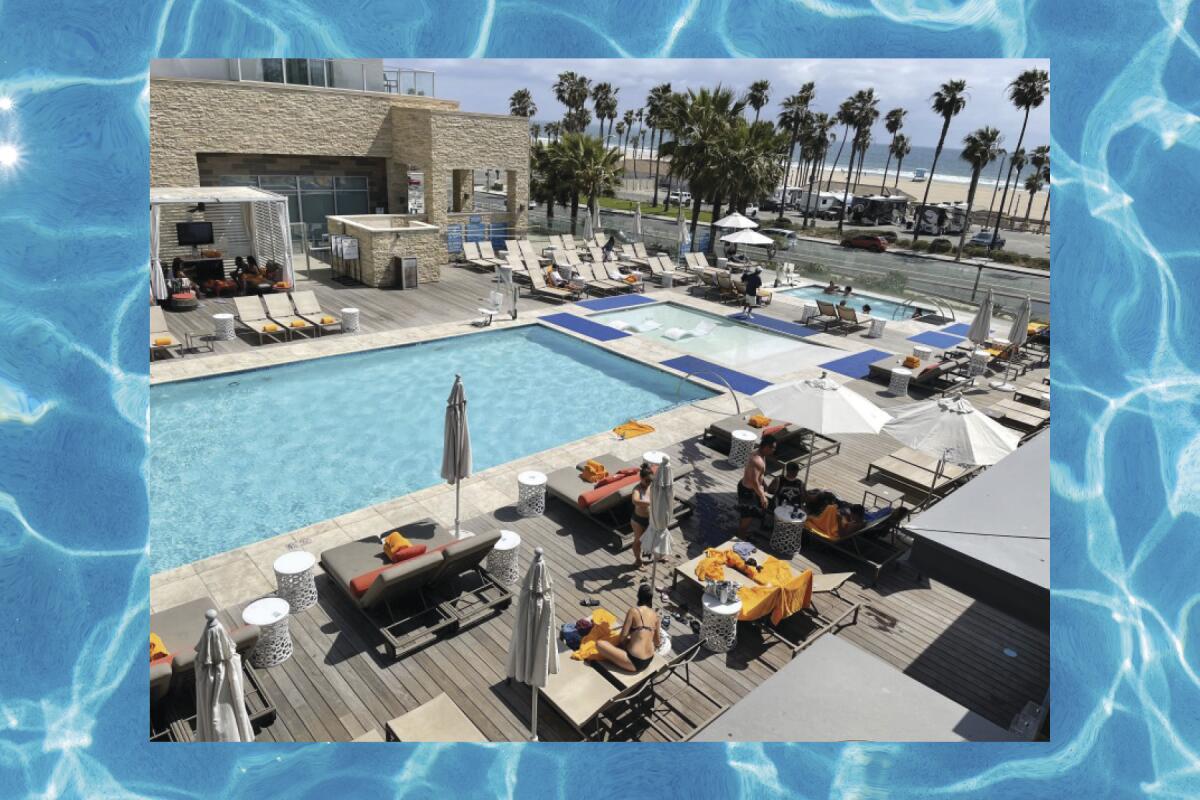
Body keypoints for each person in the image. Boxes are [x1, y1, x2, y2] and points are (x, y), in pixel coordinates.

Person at [595, 583, 661, 673]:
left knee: (599, 644)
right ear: (651, 598)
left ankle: (615, 660)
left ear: (638, 596)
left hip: (633, 661)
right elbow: (657, 642)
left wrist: (626, 645)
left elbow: (622, 638)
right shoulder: (656, 616)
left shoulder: (634, 611)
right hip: (649, 659)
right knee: (634, 641)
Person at [737, 434, 776, 538]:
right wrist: (762, 496)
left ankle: (743, 533)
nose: (774, 450)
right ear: (767, 447)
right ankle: (741, 537)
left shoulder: (760, 453)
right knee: (747, 517)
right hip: (748, 491)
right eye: (773, 448)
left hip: (748, 487)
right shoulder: (757, 460)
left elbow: (759, 476)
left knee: (748, 514)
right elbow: (754, 481)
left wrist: (764, 485)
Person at [629, 463, 654, 570]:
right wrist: (650, 502)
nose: (649, 483)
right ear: (641, 478)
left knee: (653, 538)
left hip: (650, 519)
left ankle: (656, 556)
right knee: (638, 540)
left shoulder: (652, 486)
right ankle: (638, 561)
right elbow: (635, 501)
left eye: (651, 480)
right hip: (638, 520)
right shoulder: (637, 489)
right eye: (647, 480)